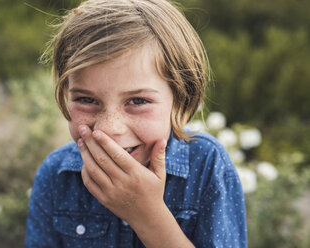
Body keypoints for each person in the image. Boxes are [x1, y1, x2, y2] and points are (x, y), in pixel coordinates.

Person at [25, 0, 247, 247]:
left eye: (138, 100)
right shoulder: (56, 176)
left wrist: (147, 216)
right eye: (87, 100)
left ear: (179, 96)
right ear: (67, 93)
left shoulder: (207, 166)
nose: (109, 128)